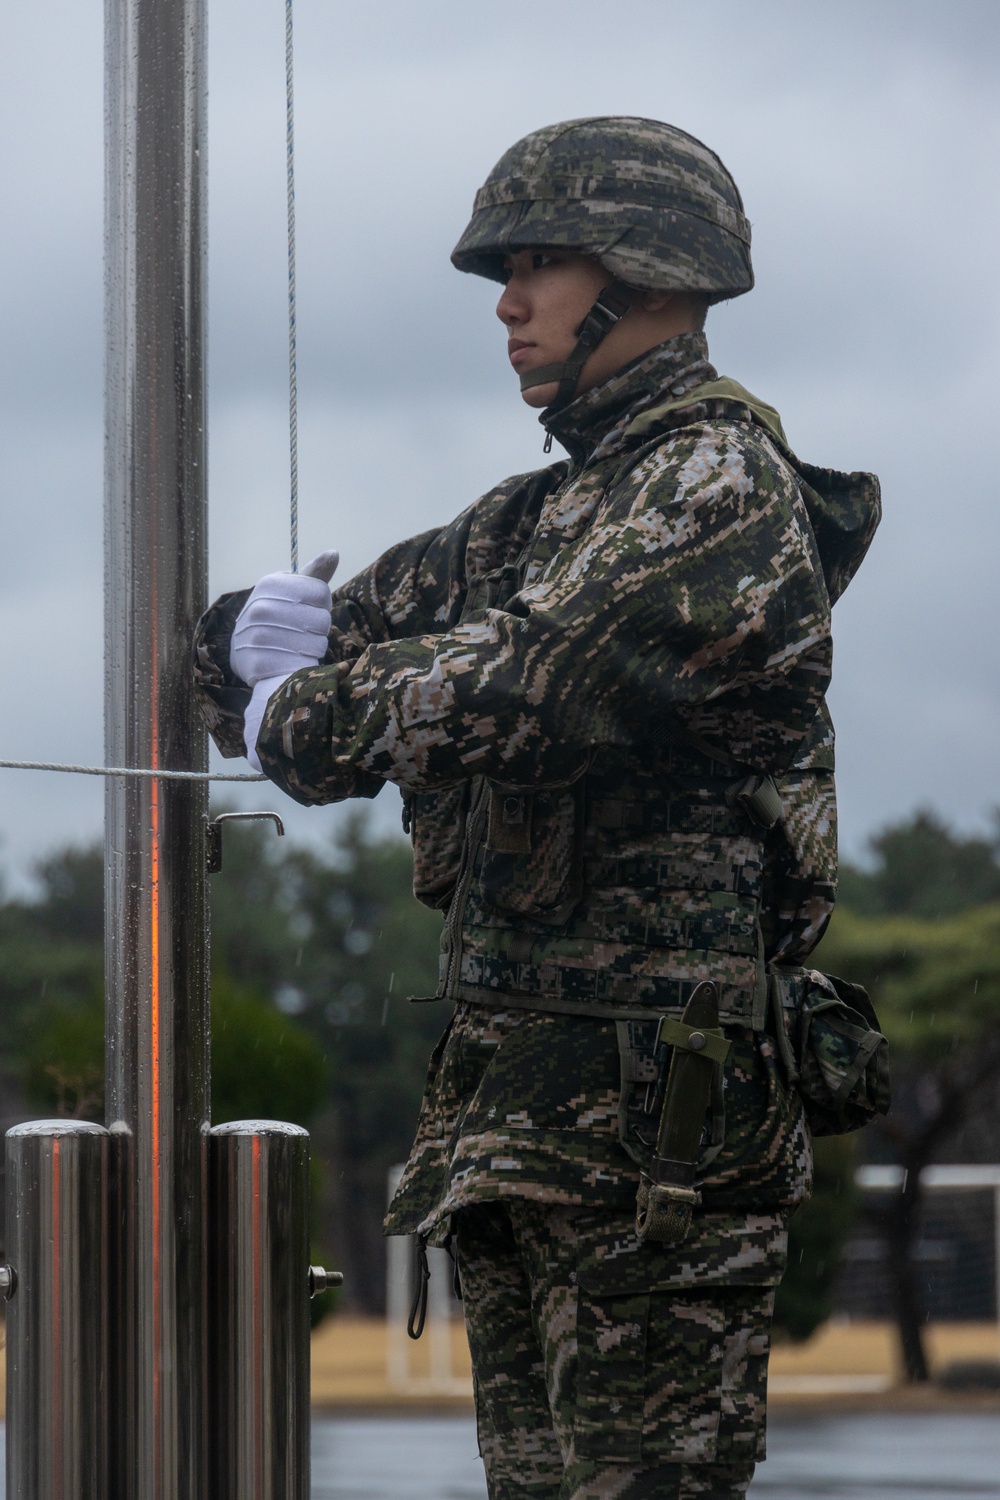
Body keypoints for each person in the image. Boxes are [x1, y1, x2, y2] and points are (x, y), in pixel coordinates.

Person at [194, 117, 881, 1500]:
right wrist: (253, 639)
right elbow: (362, 620)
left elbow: (529, 677)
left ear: (650, 272)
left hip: (656, 1148)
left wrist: (297, 714)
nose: (509, 301)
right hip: (535, 1125)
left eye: (543, 263)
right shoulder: (564, 505)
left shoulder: (712, 487)